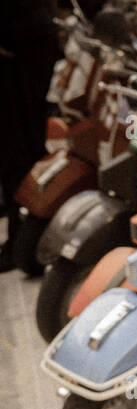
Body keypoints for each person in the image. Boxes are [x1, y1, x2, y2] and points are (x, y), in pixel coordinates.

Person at [0, 0, 61, 272]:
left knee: (20, 152)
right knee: (20, 150)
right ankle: (20, 237)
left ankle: (22, 239)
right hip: (24, 43)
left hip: (21, 49)